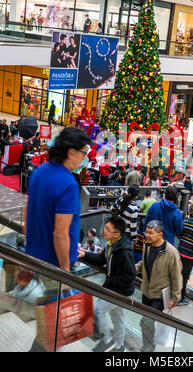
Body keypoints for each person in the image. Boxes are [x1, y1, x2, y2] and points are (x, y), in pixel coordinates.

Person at [25, 127, 91, 272]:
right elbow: (60, 233)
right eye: (83, 153)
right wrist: (65, 272)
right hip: (55, 263)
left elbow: (27, 212)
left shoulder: (40, 171)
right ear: (71, 152)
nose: (84, 159)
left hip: (33, 257)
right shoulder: (68, 184)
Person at [78, 216, 136, 352]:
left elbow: (130, 274)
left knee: (98, 310)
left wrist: (111, 282)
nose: (104, 230)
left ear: (117, 234)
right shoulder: (111, 244)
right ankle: (120, 345)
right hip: (115, 288)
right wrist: (84, 255)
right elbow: (100, 260)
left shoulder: (124, 251)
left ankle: (108, 341)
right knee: (117, 317)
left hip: (120, 291)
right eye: (106, 227)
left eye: (108, 229)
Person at [136, 220, 183, 352]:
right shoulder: (147, 246)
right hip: (146, 291)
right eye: (146, 232)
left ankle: (148, 349)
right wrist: (132, 269)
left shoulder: (171, 252)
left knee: (146, 321)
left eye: (151, 233)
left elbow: (176, 276)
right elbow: (143, 264)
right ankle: (148, 346)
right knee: (146, 322)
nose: (147, 235)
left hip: (160, 296)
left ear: (160, 234)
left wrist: (175, 297)